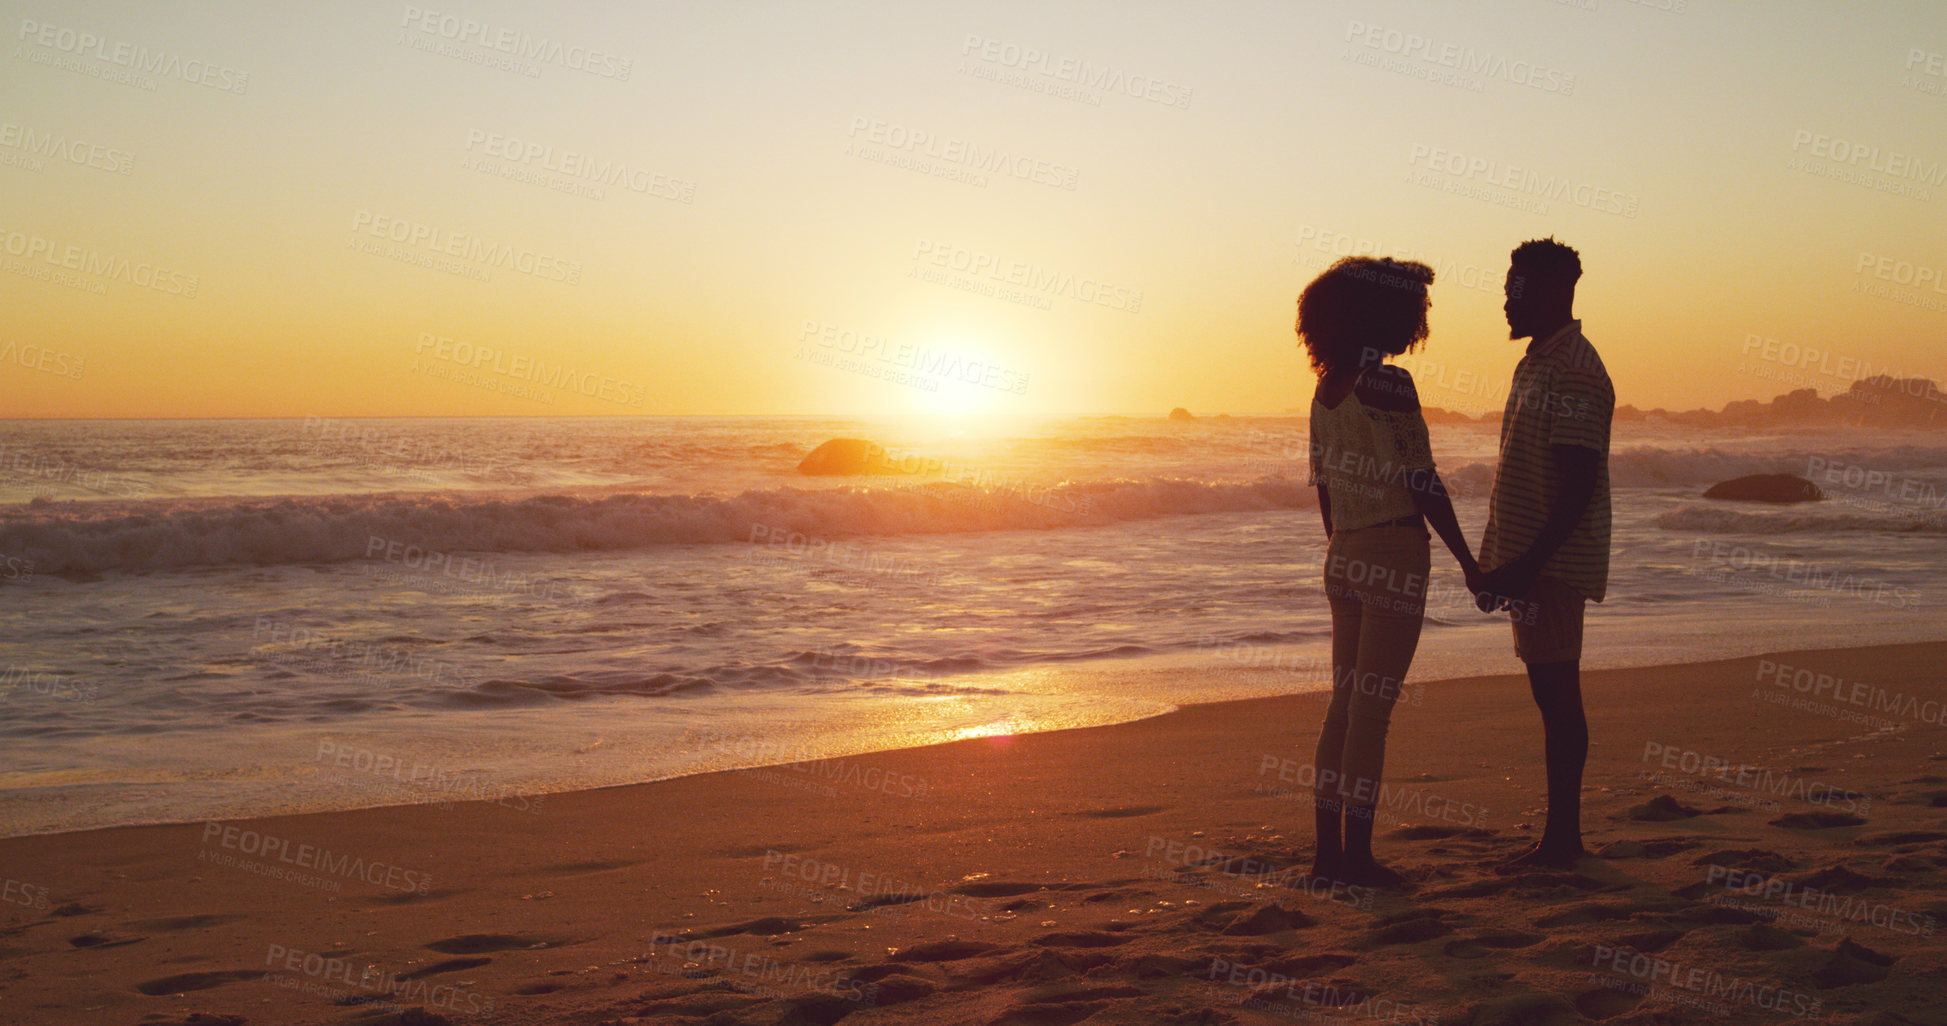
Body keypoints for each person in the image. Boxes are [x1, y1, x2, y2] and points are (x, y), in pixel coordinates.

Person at [1299, 256, 1484, 888]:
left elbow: (1325, 488)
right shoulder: (1389, 385)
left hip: (1343, 555)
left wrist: (1343, 548)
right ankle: (1358, 860)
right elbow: (1422, 480)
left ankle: (1327, 857)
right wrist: (1469, 562)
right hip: (1393, 552)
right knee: (1371, 714)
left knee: (1342, 710)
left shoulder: (1327, 393)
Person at [1475, 237, 1615, 869]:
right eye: (1508, 288)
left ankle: (1564, 839)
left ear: (1562, 292)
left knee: (1559, 696)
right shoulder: (1536, 361)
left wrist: (1527, 566)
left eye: (1522, 290)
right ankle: (1561, 836)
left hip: (1551, 566)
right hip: (1528, 562)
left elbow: (1578, 481)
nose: (1509, 301)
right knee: (1548, 693)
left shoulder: (1576, 369)